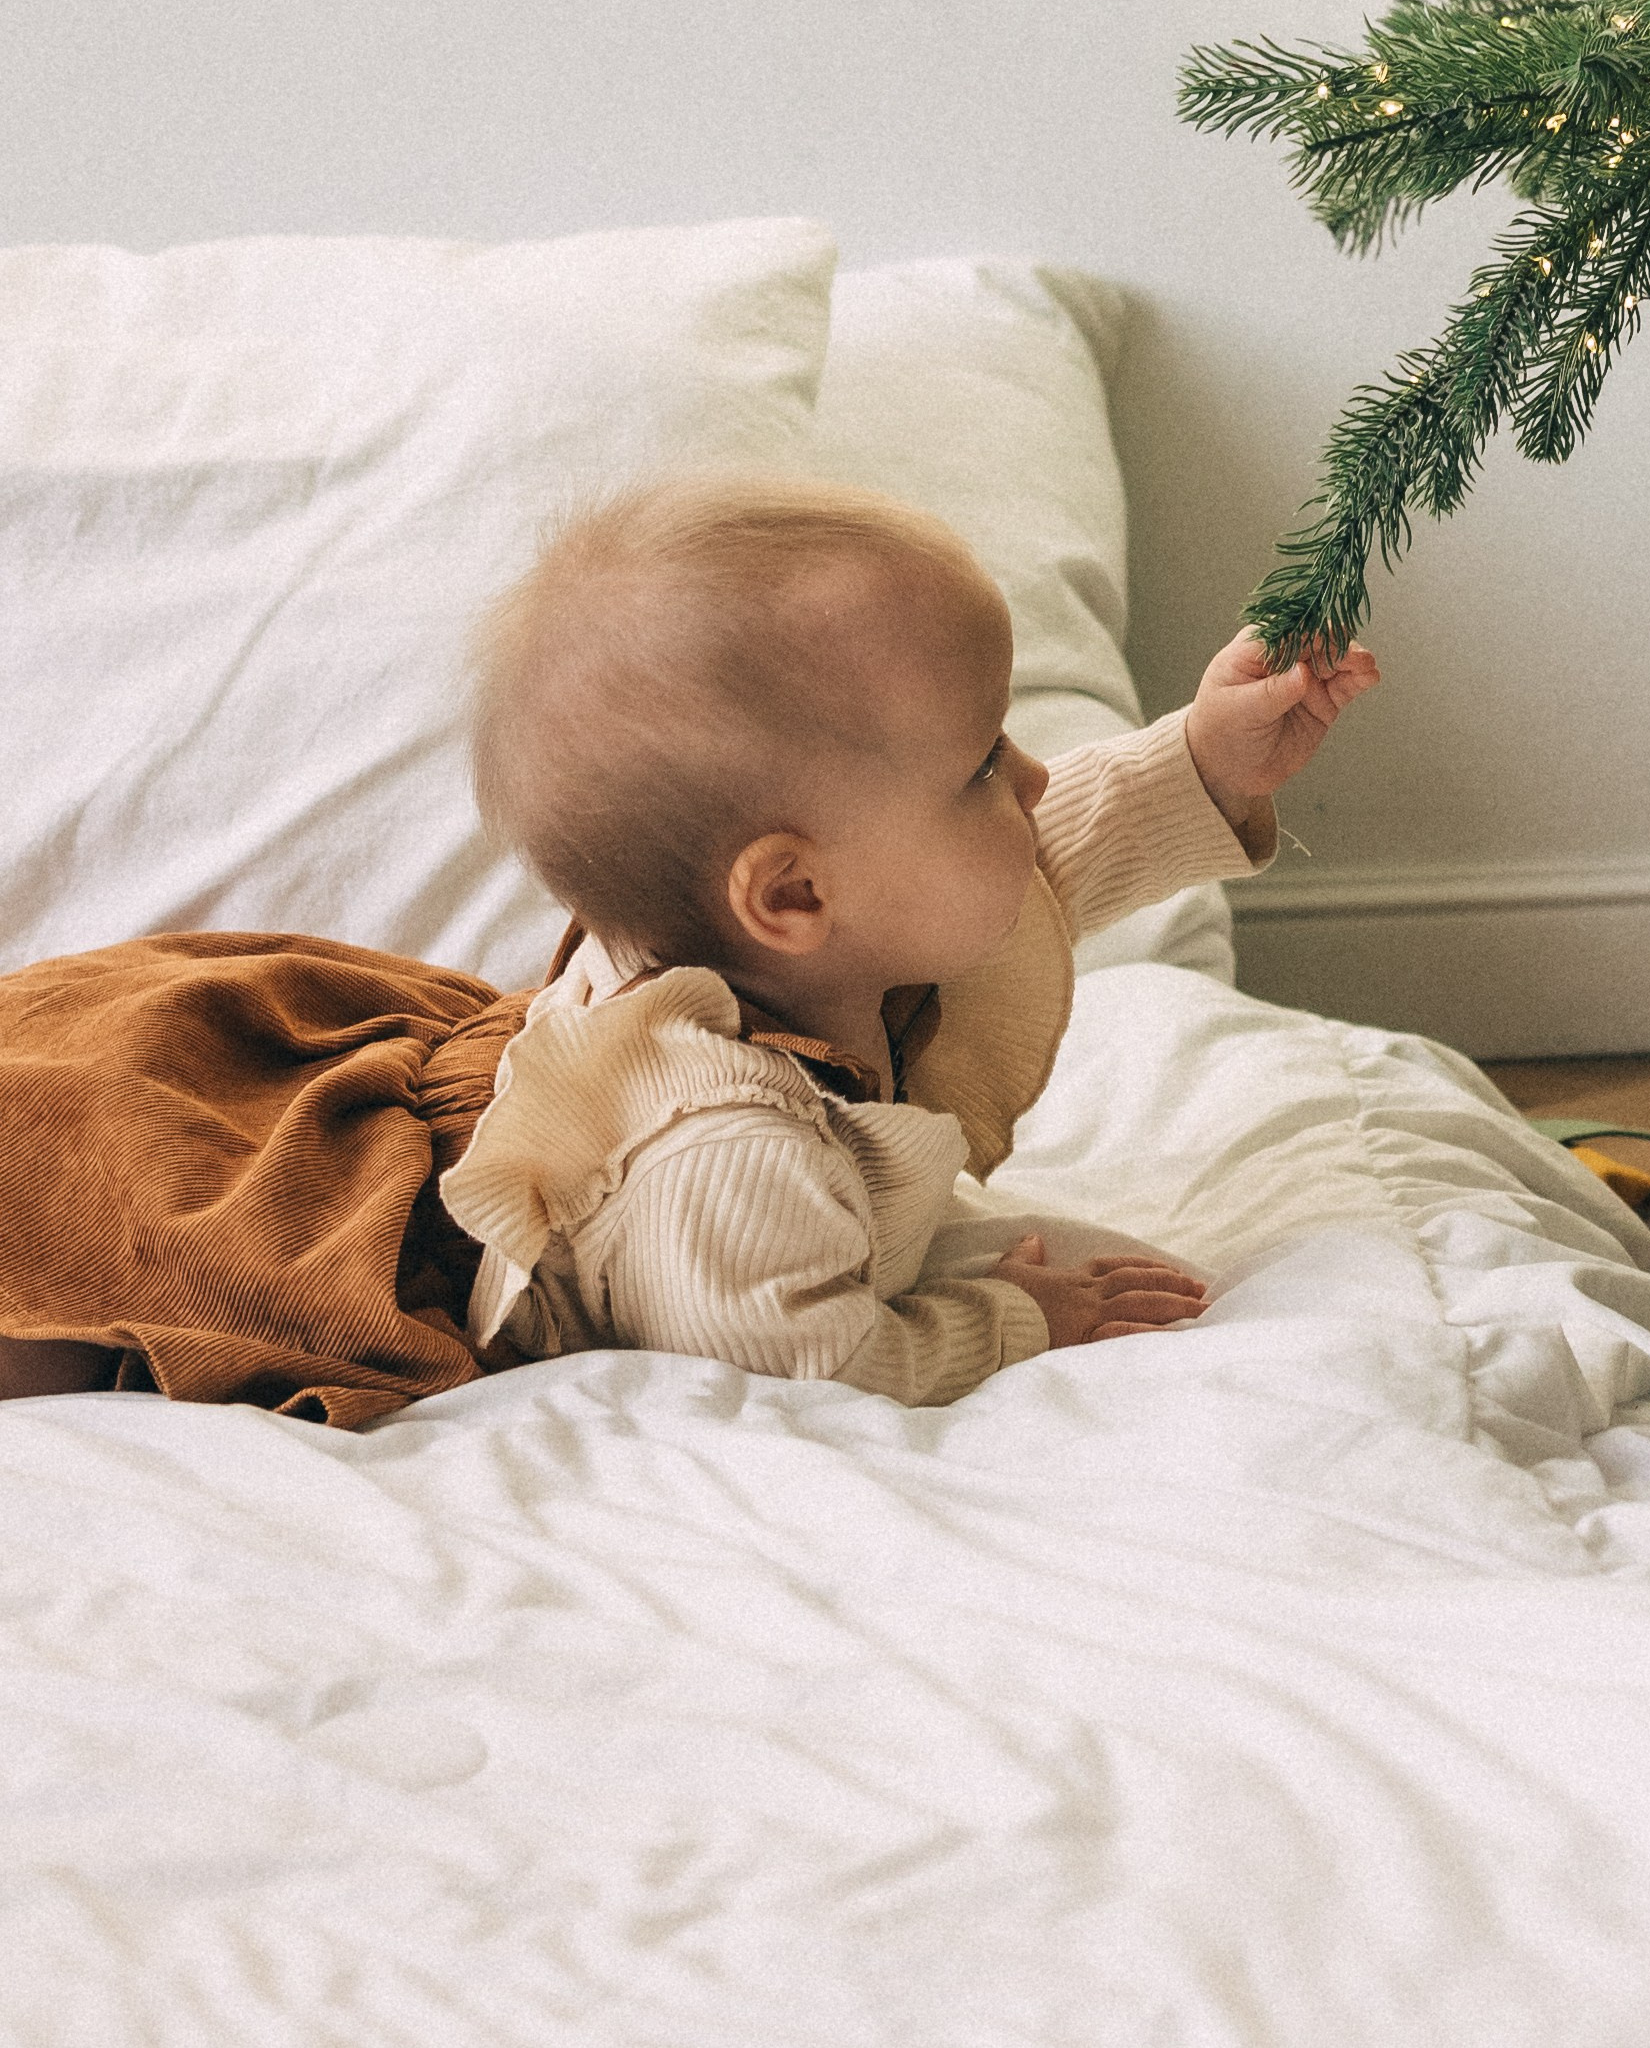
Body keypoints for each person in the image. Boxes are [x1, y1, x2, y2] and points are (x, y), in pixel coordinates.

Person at [0, 481, 1376, 1423]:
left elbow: (1048, 856)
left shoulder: (839, 945)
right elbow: (798, 1353)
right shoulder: (725, 1149)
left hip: (382, 1085)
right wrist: (1020, 1323)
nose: (1028, 784)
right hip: (309, 1208)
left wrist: (1205, 756)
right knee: (81, 1301)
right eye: (979, 765)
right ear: (787, 895)